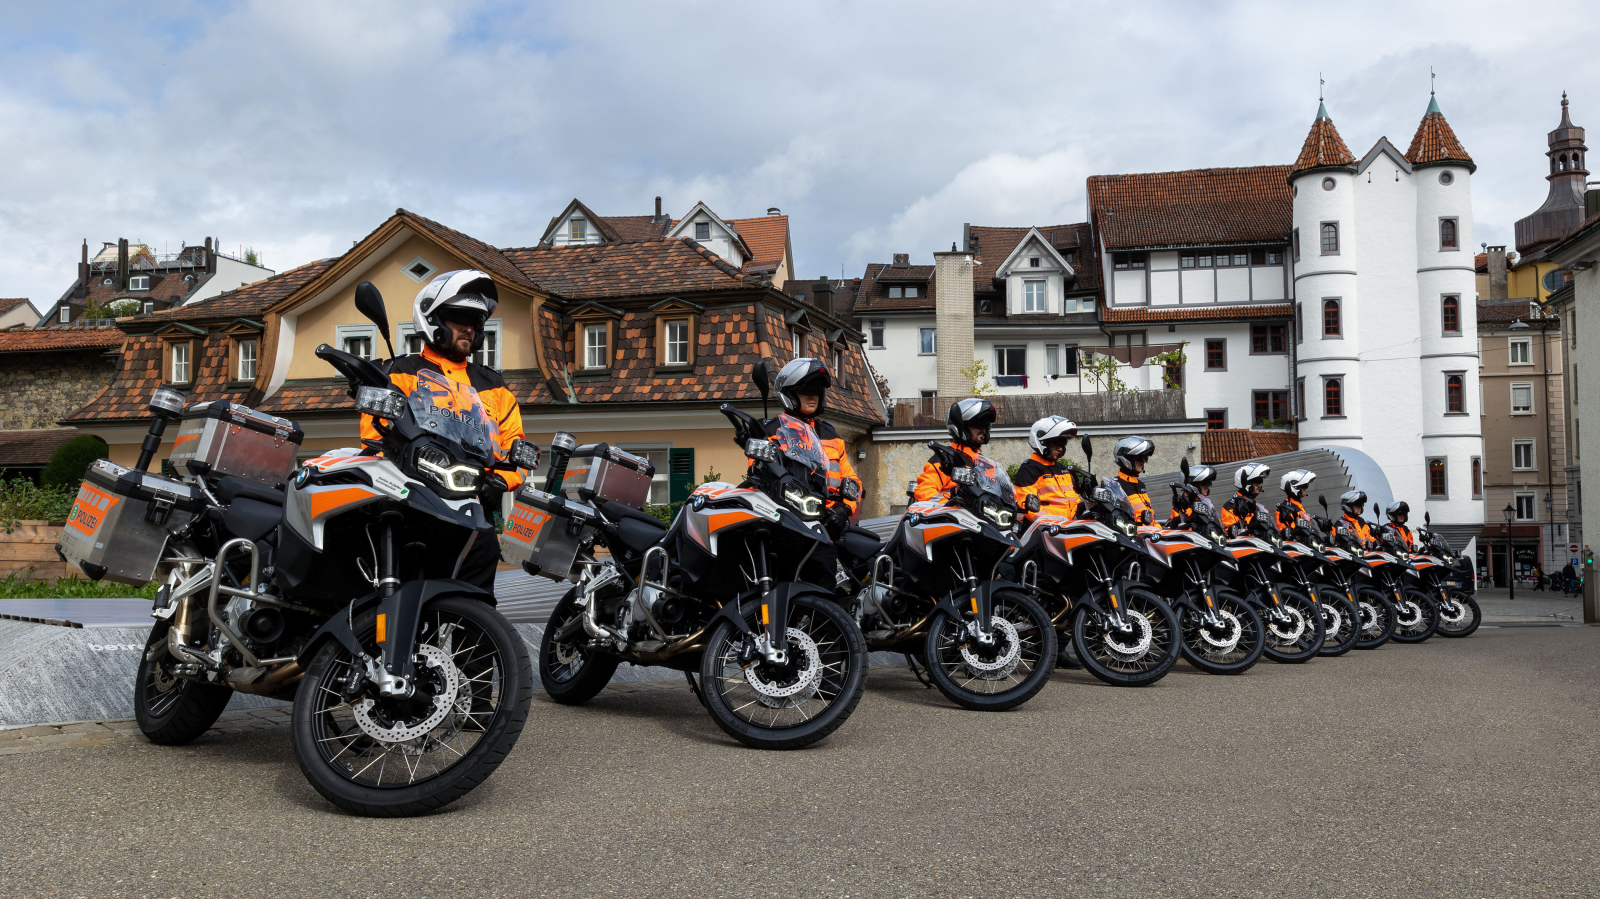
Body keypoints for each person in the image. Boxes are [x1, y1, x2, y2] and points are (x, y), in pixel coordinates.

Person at [359, 269, 525, 597]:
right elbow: (374, 439)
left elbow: (514, 447)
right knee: (398, 594)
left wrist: (500, 482)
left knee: (479, 605)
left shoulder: (494, 385)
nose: (470, 327)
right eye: (460, 317)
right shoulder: (400, 372)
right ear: (433, 320)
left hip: (473, 505)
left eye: (477, 321)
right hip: (413, 501)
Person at [764, 358, 862, 578]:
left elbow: (853, 481)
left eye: (817, 390)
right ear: (790, 393)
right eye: (806, 389)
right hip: (785, 525)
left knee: (828, 585)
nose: (812, 396)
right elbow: (760, 475)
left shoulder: (831, 435)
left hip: (825, 525)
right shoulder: (772, 431)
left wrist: (842, 511)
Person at [914, 398, 994, 503]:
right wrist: (952, 506)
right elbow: (924, 491)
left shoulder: (985, 464)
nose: (983, 430)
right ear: (962, 427)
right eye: (978, 424)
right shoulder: (945, 459)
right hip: (953, 518)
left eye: (986, 425)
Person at [1014, 416, 1082, 522]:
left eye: (1063, 443)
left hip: (1067, 526)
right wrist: (1051, 524)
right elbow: (1026, 504)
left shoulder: (1062, 469)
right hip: (1044, 529)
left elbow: (1074, 499)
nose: (1060, 448)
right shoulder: (1029, 470)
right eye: (1056, 442)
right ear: (1042, 442)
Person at [1112, 436, 1156, 526]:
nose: (1142, 462)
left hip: (1151, 533)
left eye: (1144, 458)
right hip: (1134, 535)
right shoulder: (1116, 485)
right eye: (1139, 457)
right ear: (1126, 458)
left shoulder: (1140, 485)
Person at [1220, 462, 1271, 534]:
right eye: (1256, 481)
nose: (1259, 485)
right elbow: (1230, 533)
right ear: (1246, 482)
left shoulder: (1258, 508)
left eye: (1260, 482)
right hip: (1241, 544)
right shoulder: (1231, 506)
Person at [1167, 463, 1217, 528]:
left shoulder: (1205, 503)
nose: (1207, 486)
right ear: (1192, 484)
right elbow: (1176, 530)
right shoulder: (1182, 507)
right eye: (1203, 483)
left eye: (1208, 483)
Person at [1276, 469, 1317, 535]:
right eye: (1303, 486)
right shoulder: (1285, 508)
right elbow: (1286, 530)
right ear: (1294, 487)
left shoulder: (1297, 505)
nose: (1305, 489)